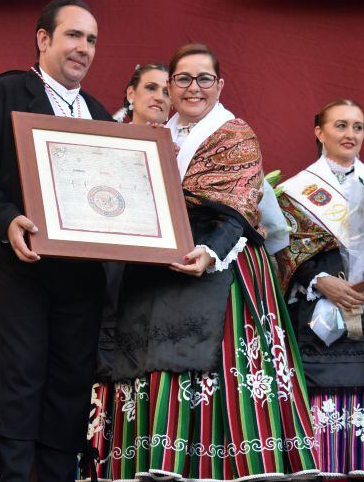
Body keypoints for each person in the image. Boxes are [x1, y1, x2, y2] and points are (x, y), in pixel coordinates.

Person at [104, 43, 318, 481]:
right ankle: (162, 459)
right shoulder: (158, 134)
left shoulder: (235, 134)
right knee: (157, 353)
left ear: (220, 85)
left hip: (224, 262)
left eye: (204, 79)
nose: (193, 88)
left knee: (215, 360)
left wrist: (211, 252)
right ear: (170, 85)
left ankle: (226, 465)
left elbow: (238, 210)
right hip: (163, 265)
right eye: (183, 79)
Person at [0, 0, 114, 481]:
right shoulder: (2, 94)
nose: (83, 48)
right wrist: (6, 220)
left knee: (69, 384)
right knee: (17, 382)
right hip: (17, 266)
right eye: (73, 35)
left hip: (81, 277)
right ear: (43, 39)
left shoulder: (101, 115)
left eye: (91, 40)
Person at [276, 99, 364, 479]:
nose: (350, 134)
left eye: (357, 127)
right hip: (319, 321)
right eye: (340, 126)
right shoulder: (294, 190)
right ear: (319, 132)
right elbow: (282, 255)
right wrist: (321, 281)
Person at [86, 62, 172, 479]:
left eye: (167, 91)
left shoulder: (185, 149)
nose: (160, 97)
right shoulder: (103, 142)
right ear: (130, 93)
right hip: (106, 273)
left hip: (161, 281)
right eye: (151, 88)